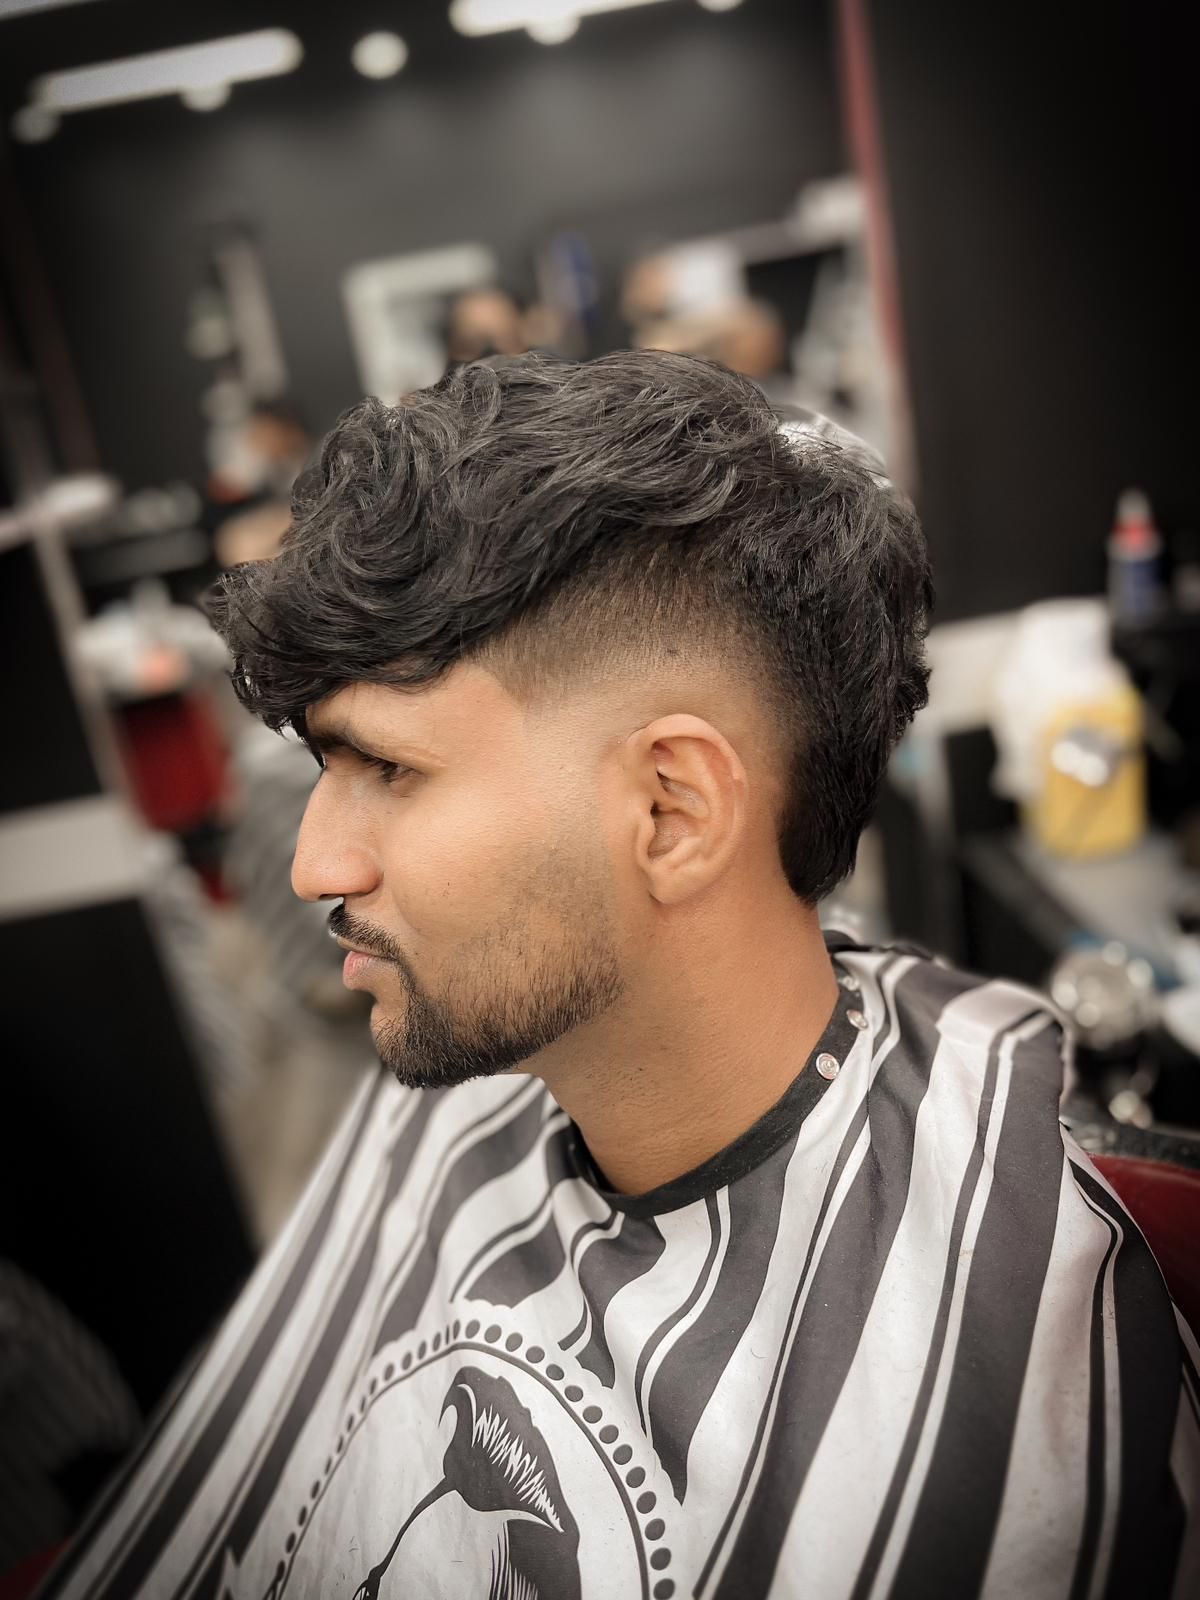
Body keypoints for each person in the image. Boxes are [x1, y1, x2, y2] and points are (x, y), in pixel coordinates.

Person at [45, 353, 1198, 1599]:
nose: (314, 863)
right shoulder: (461, 1070)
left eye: (388, 770)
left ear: (669, 809)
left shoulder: (1020, 1424)